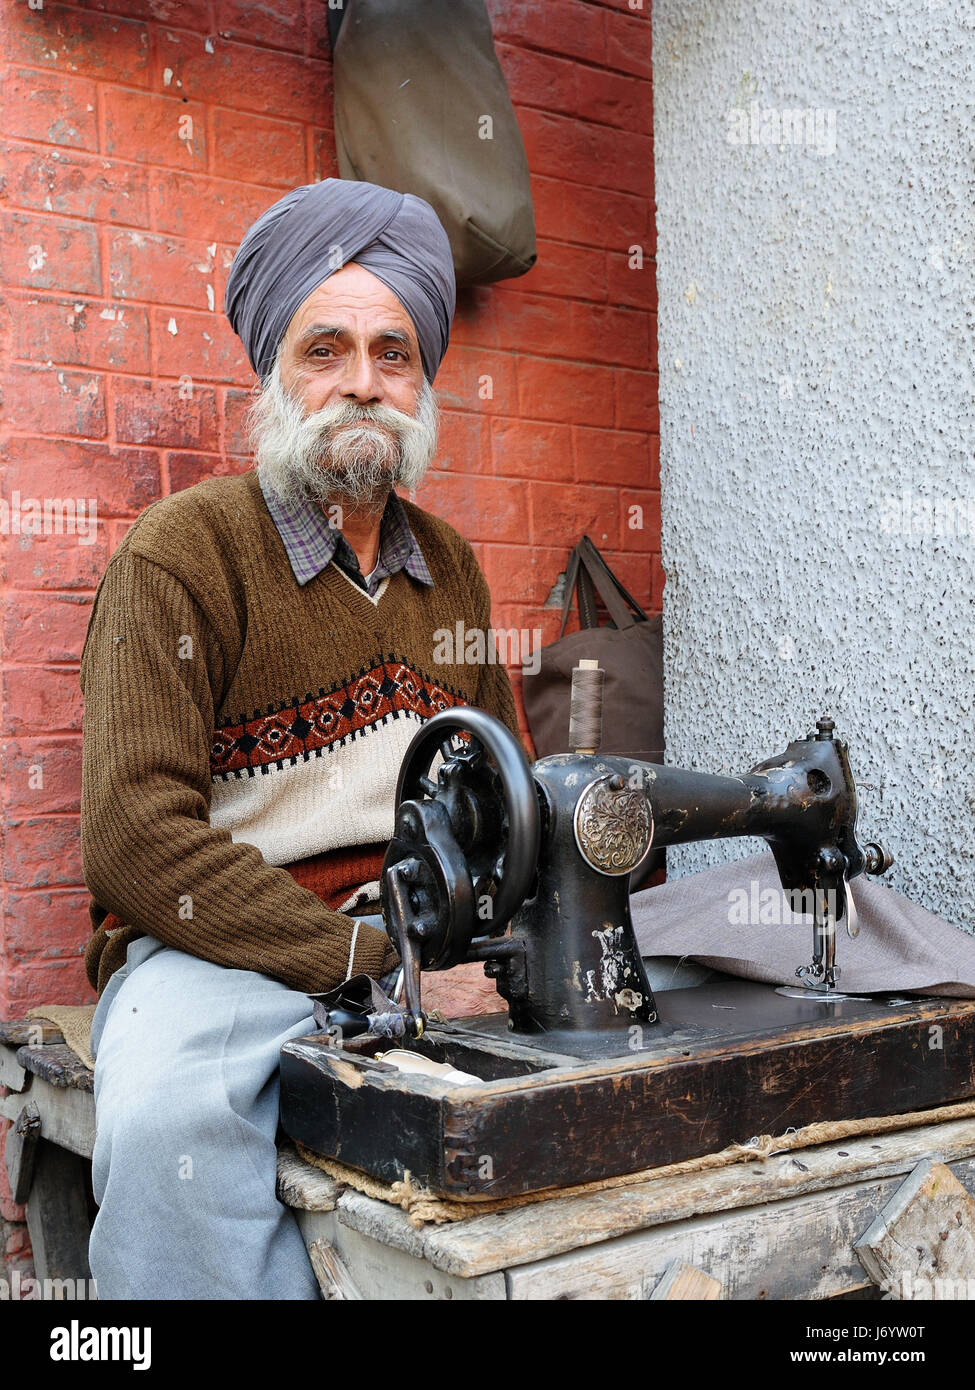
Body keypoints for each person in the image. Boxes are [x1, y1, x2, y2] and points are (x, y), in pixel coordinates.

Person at [80, 179, 521, 1299]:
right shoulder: (182, 555)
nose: (362, 381)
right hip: (217, 948)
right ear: (275, 367)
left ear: (421, 383)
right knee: (167, 1127)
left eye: (393, 351)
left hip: (420, 940)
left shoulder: (453, 567)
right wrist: (372, 961)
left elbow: (505, 797)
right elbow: (137, 844)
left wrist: (488, 941)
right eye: (326, 347)